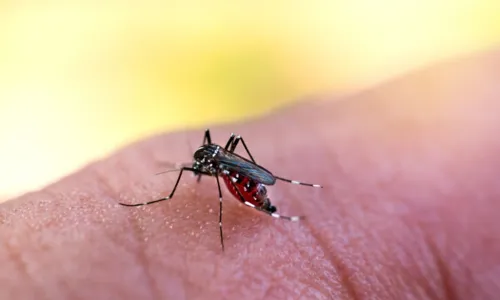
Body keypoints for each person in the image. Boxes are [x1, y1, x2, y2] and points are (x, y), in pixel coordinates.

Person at [1, 48, 499, 300]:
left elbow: (214, 174)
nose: (196, 166)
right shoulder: (206, 156)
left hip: (248, 180)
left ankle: (270, 195)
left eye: (200, 163)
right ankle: (271, 191)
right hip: (240, 170)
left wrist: (232, 196)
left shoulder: (218, 166)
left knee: (230, 179)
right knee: (219, 162)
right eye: (201, 162)